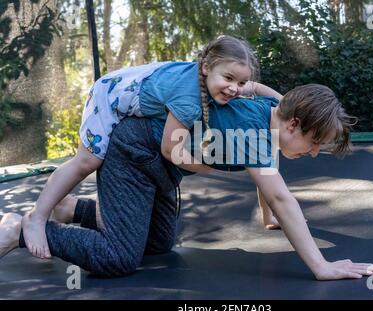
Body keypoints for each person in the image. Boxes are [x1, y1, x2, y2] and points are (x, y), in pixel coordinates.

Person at [0, 84, 373, 280]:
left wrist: (268, 219)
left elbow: (261, 100)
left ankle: (74, 208)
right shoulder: (255, 135)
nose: (314, 153)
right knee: (118, 258)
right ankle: (20, 229)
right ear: (294, 124)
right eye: (314, 144)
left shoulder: (274, 113)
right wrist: (320, 265)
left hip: (163, 168)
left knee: (160, 242)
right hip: (134, 152)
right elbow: (280, 195)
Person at [20, 35, 281, 259]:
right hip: (109, 97)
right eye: (229, 79)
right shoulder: (189, 99)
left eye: (241, 82)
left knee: (159, 242)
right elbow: (171, 151)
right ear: (206, 67)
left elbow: (255, 87)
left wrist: (286, 103)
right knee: (88, 161)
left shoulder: (219, 81)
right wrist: (208, 167)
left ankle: (70, 208)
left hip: (130, 93)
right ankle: (37, 216)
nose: (235, 88)